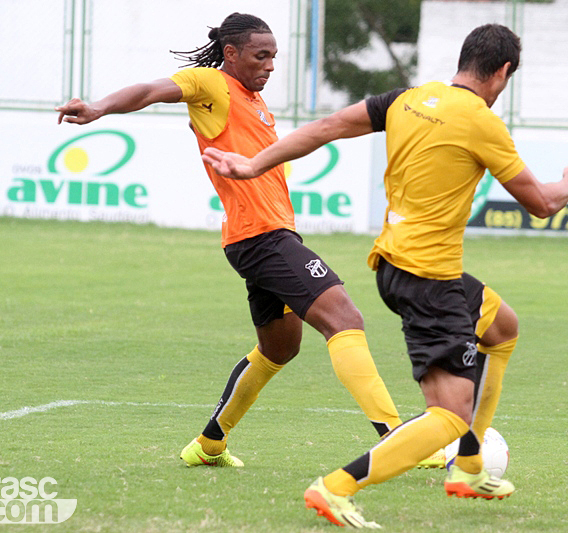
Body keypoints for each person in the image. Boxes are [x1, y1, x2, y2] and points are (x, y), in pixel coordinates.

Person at [202, 23, 568, 528]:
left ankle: (470, 467)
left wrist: (255, 165)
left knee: (503, 327)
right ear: (503, 72)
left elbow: (326, 127)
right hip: (429, 278)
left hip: (395, 264)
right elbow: (541, 203)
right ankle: (335, 487)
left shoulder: (408, 99)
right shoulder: (482, 121)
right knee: (448, 414)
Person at [55, 12, 406, 468]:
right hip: (262, 237)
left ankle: (209, 444)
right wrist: (100, 107)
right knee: (344, 319)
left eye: (275, 57)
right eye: (261, 56)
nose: (271, 66)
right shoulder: (210, 84)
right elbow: (149, 91)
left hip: (261, 237)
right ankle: (398, 437)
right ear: (231, 54)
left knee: (280, 347)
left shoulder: (253, 100)